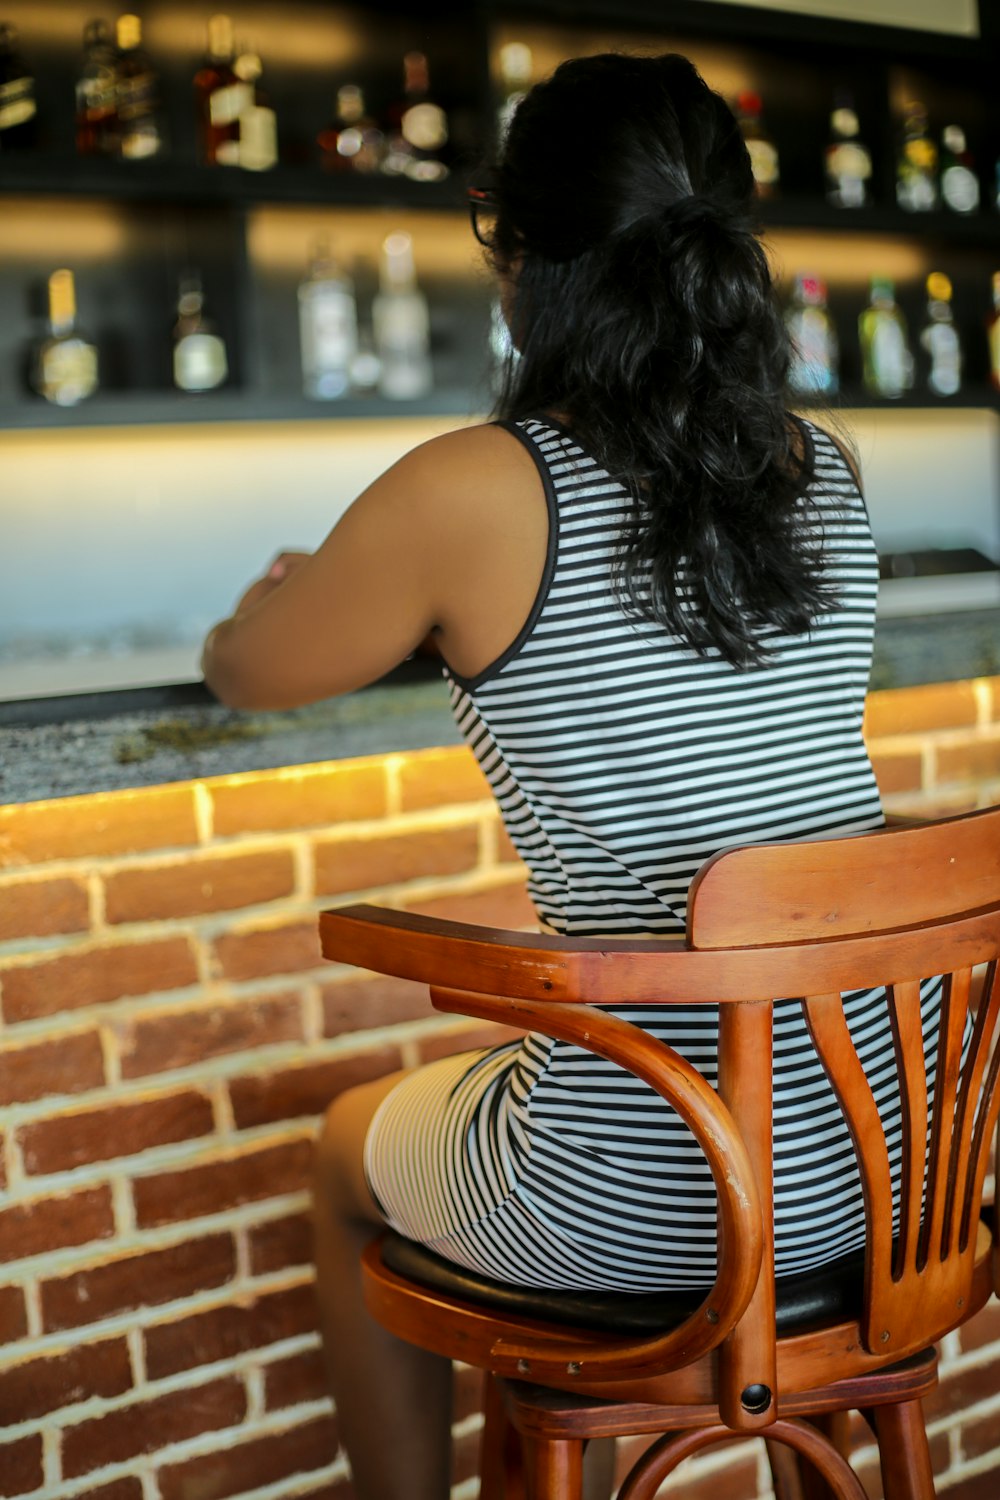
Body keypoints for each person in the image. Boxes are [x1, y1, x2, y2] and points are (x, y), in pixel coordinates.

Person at [202, 51, 938, 1500]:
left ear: (518, 253)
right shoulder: (825, 467)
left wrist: (283, 597)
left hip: (661, 1199)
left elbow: (247, 671)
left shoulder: (476, 487)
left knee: (349, 1150)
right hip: (891, 1163)